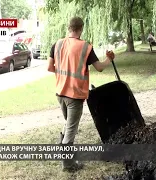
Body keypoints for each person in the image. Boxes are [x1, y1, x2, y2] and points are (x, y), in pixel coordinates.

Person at [47, 16, 115, 172]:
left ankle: (62, 148)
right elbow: (99, 67)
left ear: (69, 28)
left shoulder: (57, 44)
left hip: (60, 93)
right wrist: (109, 59)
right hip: (75, 95)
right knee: (71, 129)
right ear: (81, 28)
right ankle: (68, 165)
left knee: (68, 124)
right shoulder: (85, 47)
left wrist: (65, 72)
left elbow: (50, 68)